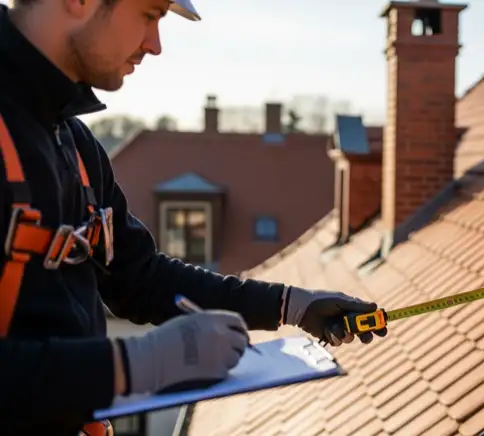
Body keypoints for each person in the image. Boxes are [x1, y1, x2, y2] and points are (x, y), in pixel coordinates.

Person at [0, 0, 388, 434]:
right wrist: (138, 365)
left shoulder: (73, 142)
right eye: (150, 14)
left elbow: (141, 279)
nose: (155, 45)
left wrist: (291, 305)